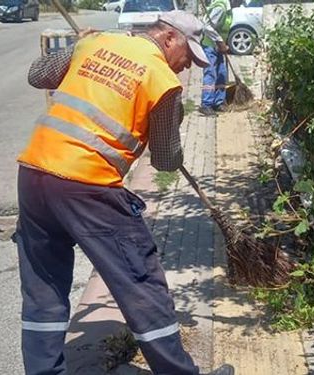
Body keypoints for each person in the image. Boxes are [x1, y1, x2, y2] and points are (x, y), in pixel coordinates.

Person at [13, 10, 235, 375]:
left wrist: (78, 47)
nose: (186, 68)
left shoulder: (97, 42)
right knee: (141, 282)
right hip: (87, 185)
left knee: (44, 288)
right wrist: (171, 120)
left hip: (35, 175)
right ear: (168, 38)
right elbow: (165, 160)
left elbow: (38, 75)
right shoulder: (161, 78)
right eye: (187, 56)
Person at [198, 0, 233, 117]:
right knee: (211, 73)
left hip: (217, 47)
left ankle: (218, 102)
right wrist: (220, 41)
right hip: (210, 46)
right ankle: (206, 105)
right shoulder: (220, 8)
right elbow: (206, 26)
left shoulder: (227, 9)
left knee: (221, 73)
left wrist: (222, 43)